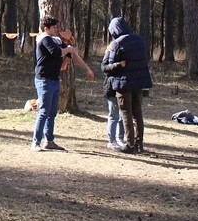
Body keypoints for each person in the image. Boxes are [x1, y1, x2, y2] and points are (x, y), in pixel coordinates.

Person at [30, 15, 95, 152]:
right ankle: (36, 142)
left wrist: (87, 69)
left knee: (52, 112)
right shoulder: (44, 39)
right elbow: (56, 52)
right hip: (44, 80)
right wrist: (68, 50)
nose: (56, 29)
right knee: (44, 111)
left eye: (56, 27)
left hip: (55, 79)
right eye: (53, 27)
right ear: (46, 28)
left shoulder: (57, 39)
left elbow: (73, 55)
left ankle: (49, 140)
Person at [103, 16, 153, 154]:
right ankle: (139, 143)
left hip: (123, 83)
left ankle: (130, 144)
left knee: (126, 113)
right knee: (137, 113)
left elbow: (108, 66)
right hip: (139, 82)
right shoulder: (139, 40)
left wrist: (118, 65)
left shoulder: (116, 44)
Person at [100, 53, 126, 151]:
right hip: (111, 87)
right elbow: (104, 68)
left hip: (124, 86)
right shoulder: (110, 50)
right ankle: (111, 140)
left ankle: (120, 138)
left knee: (123, 115)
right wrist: (118, 65)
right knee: (114, 114)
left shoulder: (127, 51)